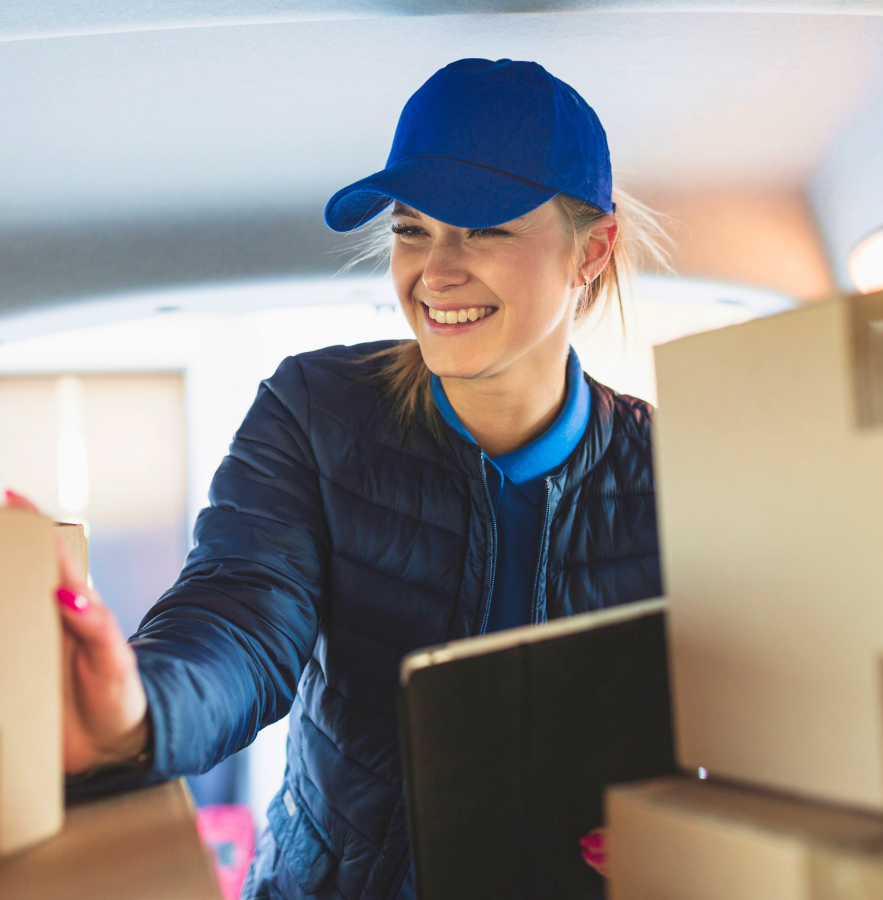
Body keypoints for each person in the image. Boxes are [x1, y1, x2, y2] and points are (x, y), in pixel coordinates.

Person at [42, 58, 668, 900]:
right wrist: (139, 708)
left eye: (481, 230)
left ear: (592, 250)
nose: (435, 273)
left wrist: (680, 829)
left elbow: (742, 708)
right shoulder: (317, 412)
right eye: (413, 229)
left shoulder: (675, 472)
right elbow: (242, 615)